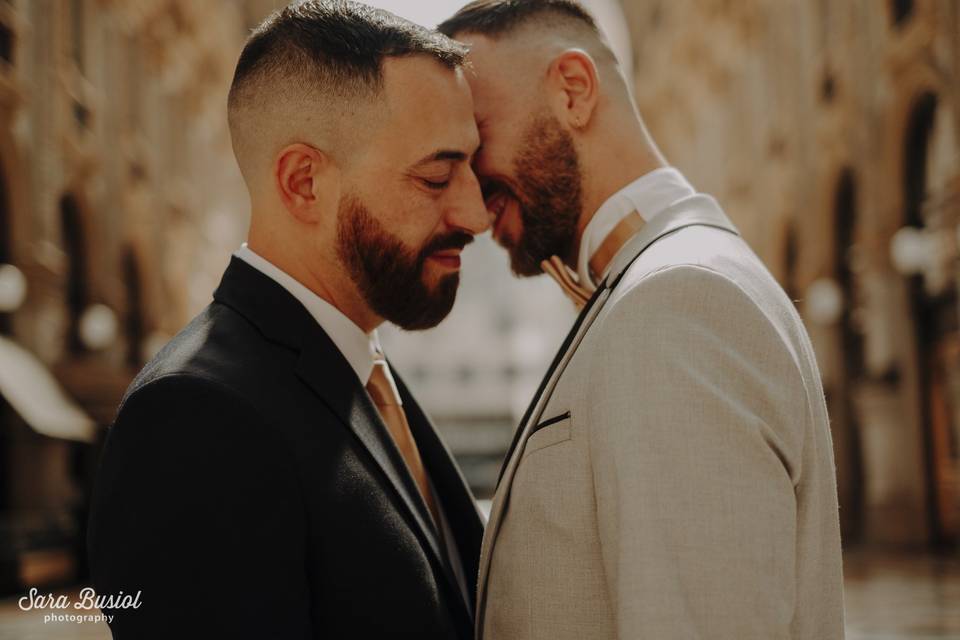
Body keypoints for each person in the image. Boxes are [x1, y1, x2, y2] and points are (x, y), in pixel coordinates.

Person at [439, 1, 845, 638]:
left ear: (574, 91)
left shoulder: (678, 303)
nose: (464, 201)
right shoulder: (661, 284)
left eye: (477, 141)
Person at [89, 2, 489, 638]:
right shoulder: (196, 416)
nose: (477, 214)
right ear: (304, 182)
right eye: (437, 177)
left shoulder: (361, 370)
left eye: (472, 167)